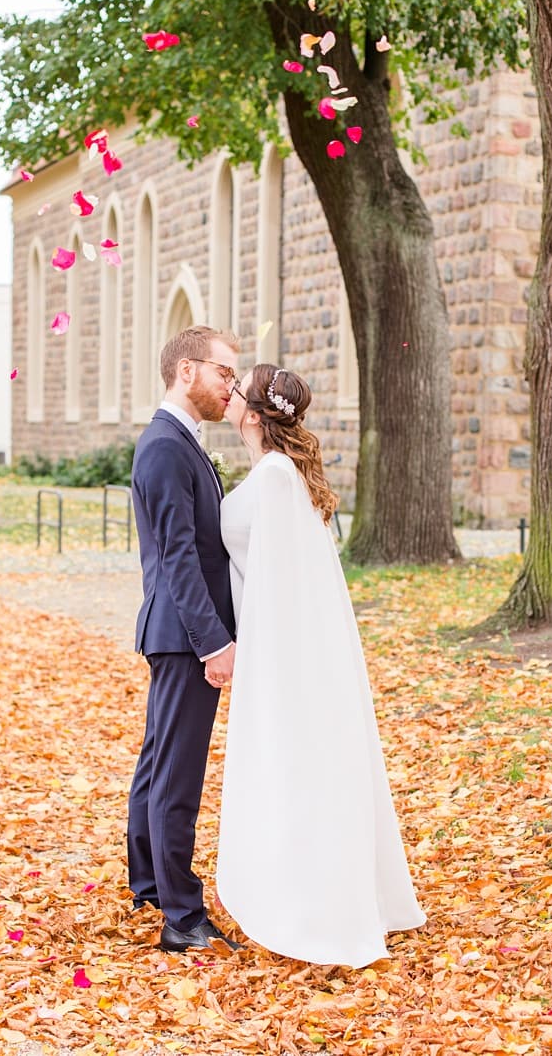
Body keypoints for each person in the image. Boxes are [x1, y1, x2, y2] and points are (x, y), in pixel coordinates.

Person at [215, 363, 425, 966]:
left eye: (238, 393)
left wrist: (254, 654)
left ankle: (314, 904)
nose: (228, 397)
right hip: (277, 639)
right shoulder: (276, 472)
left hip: (284, 647)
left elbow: (282, 580)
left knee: (297, 763)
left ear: (255, 415)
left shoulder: (277, 477)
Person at [128, 325, 244, 952]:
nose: (232, 385)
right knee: (177, 773)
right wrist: (214, 643)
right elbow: (178, 557)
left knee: (157, 763)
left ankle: (148, 881)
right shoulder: (168, 447)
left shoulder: (179, 442)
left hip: (175, 631)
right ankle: (181, 916)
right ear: (187, 372)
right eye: (225, 372)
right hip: (183, 634)